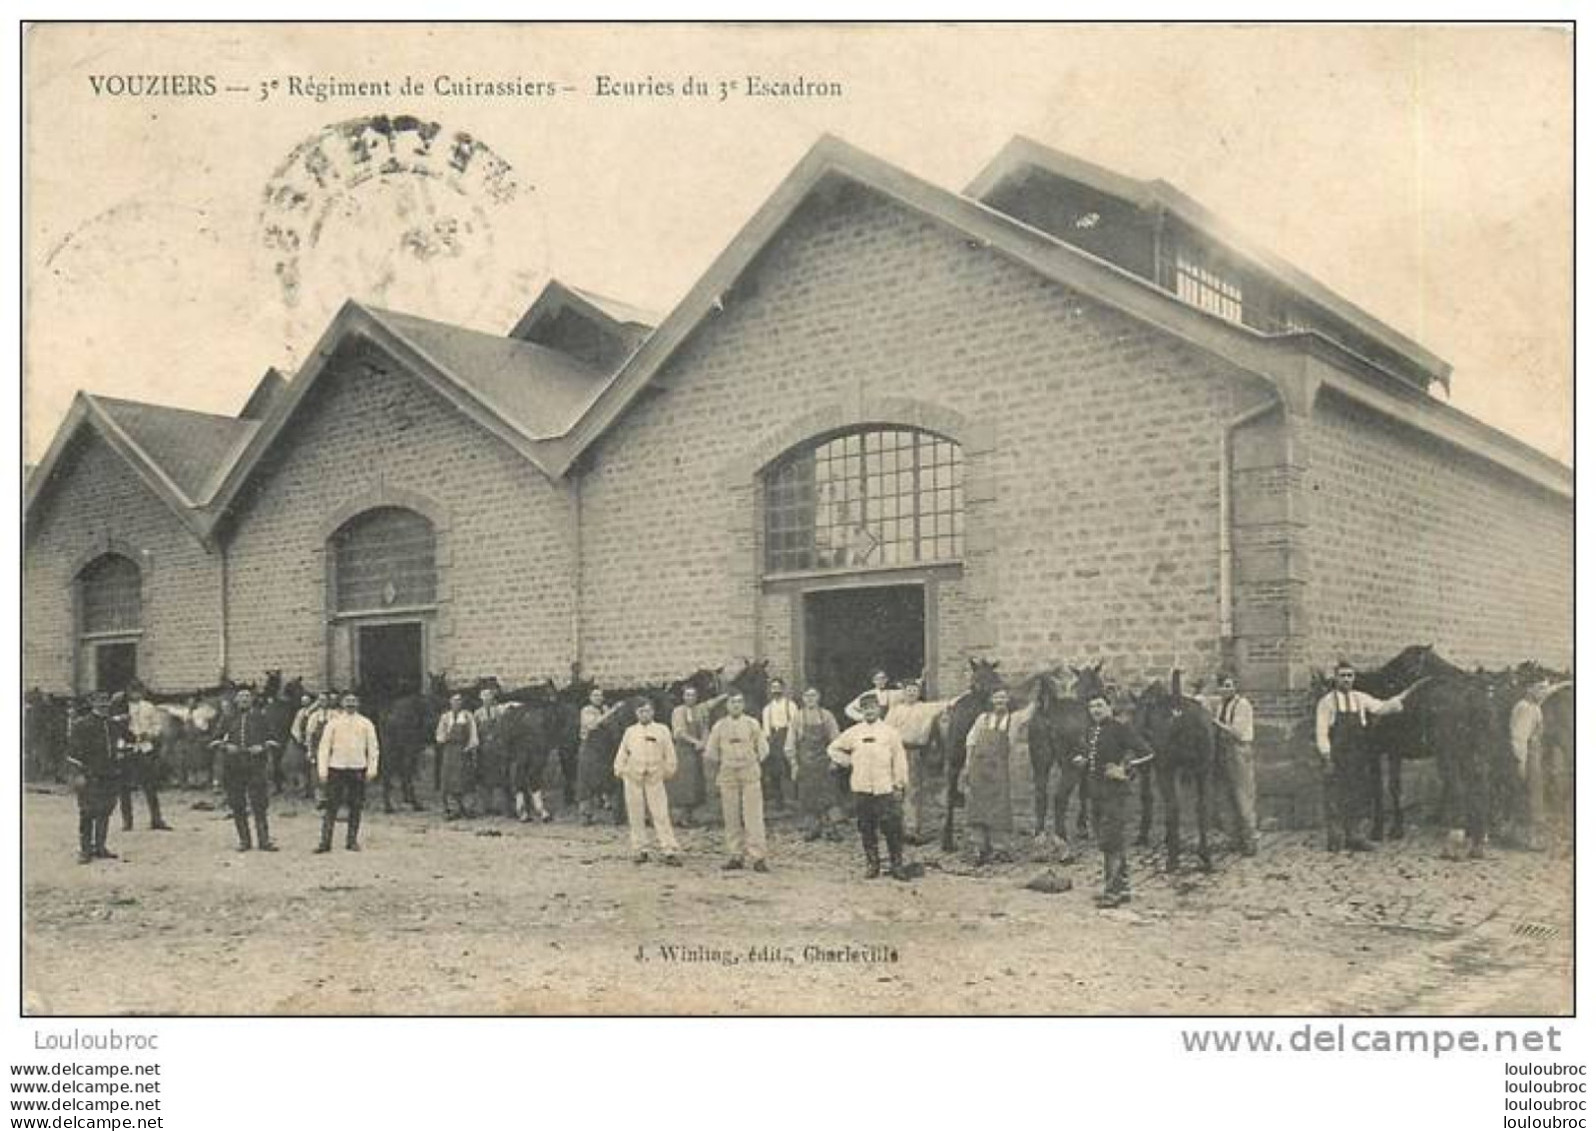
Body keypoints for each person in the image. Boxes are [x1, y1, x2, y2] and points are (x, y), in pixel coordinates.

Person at [1313, 661, 1423, 853]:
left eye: (1349, 676)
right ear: (1336, 678)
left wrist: (1405, 696)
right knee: (1336, 796)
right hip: (1337, 756)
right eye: (1342, 676)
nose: (1346, 680)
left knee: (1357, 795)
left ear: (1354, 678)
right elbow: (1321, 732)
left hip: (1357, 755)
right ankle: (1335, 838)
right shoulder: (1327, 702)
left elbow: (1381, 707)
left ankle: (1355, 836)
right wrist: (1326, 757)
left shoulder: (1360, 698)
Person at [1074, 691, 1155, 907]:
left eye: (1100, 705)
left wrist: (1125, 768)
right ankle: (1123, 887)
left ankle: (1112, 892)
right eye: (1092, 707)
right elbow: (1095, 758)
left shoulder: (1120, 728)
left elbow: (1147, 753)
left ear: (1109, 707)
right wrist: (1084, 761)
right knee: (1109, 840)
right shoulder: (1092, 730)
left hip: (1115, 794)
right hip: (1097, 793)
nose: (1096, 710)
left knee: (1112, 841)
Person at [828, 692, 912, 880]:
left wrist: (899, 784)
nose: (869, 712)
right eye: (865, 709)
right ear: (862, 711)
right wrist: (848, 761)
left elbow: (900, 759)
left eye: (873, 708)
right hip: (862, 787)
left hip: (885, 788)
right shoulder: (854, 732)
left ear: (879, 710)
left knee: (892, 828)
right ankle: (872, 864)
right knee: (866, 827)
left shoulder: (890, 732)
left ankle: (896, 864)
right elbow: (832, 748)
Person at [704, 691, 769, 872]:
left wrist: (752, 760)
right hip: (728, 773)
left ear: (744, 705)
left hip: (749, 772)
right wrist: (723, 765)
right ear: (727, 705)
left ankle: (758, 857)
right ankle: (735, 855)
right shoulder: (719, 726)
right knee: (731, 815)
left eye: (740, 702)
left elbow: (763, 749)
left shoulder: (752, 724)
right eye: (733, 702)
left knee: (753, 815)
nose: (736, 705)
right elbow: (711, 751)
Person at [613, 699, 683, 865]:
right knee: (635, 814)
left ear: (653, 712)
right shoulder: (630, 732)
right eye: (641, 711)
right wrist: (621, 770)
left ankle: (668, 849)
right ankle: (640, 849)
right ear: (636, 714)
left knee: (660, 813)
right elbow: (622, 753)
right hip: (633, 777)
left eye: (647, 711)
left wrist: (667, 771)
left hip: (654, 776)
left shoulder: (662, 730)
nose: (644, 714)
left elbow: (670, 754)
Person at [883, 680, 951, 845]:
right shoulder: (895, 711)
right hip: (898, 751)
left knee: (914, 790)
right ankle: (894, 828)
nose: (912, 693)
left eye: (915, 691)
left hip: (917, 752)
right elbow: (885, 731)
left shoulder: (925, 708)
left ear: (919, 693)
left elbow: (947, 704)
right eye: (909, 690)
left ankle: (912, 829)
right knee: (895, 788)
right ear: (903, 693)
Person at [213, 688, 279, 852]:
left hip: (256, 765)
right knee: (237, 803)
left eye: (247, 696)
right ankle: (244, 841)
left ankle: (264, 841)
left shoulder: (261, 718)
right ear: (236, 700)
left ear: (252, 700)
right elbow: (215, 740)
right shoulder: (228, 718)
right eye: (241, 697)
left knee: (260, 804)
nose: (244, 699)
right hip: (233, 766)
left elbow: (274, 740)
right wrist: (226, 746)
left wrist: (262, 747)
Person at [316, 691, 380, 853]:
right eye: (347, 701)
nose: (350, 704)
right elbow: (324, 748)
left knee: (356, 805)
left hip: (357, 768)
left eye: (353, 700)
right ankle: (325, 842)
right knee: (331, 806)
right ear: (342, 703)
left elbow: (373, 748)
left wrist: (372, 769)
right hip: (336, 768)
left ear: (358, 703)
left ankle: (352, 841)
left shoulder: (366, 723)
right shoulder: (333, 723)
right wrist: (322, 770)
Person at [66, 690, 125, 864]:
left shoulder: (113, 725)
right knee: (87, 811)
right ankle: (85, 850)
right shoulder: (82, 725)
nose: (104, 705)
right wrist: (77, 775)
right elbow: (73, 753)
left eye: (106, 701)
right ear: (91, 703)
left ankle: (100, 846)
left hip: (110, 774)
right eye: (99, 701)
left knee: (105, 810)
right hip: (90, 774)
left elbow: (120, 744)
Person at [1206, 673, 1257, 855]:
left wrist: (1215, 723)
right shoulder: (1220, 704)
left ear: (1235, 687)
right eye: (1223, 686)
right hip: (1223, 752)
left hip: (1238, 750)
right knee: (1226, 797)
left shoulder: (1242, 705)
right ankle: (1234, 839)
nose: (1226, 689)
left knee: (1243, 796)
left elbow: (1237, 732)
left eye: (1229, 686)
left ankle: (1250, 840)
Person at [787, 686, 842, 840]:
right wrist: (793, 763)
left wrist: (834, 760)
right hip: (805, 763)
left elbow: (836, 739)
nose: (810, 699)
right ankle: (813, 828)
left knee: (828, 796)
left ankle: (831, 828)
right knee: (808, 796)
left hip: (824, 761)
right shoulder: (797, 717)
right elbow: (790, 741)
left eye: (813, 695)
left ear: (818, 697)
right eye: (807, 696)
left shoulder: (826, 716)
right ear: (803, 698)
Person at [118, 681, 172, 832]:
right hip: (127, 748)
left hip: (144, 747)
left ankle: (156, 819)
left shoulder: (148, 707)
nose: (135, 695)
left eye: (138, 692)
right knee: (124, 787)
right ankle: (127, 821)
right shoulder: (120, 707)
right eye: (132, 691)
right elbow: (114, 727)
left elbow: (157, 726)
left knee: (150, 785)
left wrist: (149, 734)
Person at [1509, 678, 1551, 852]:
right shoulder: (1524, 708)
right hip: (1527, 755)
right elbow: (1519, 738)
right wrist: (1521, 762)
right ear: (1529, 689)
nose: (1543, 692)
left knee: (1535, 796)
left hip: (1535, 754)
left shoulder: (1535, 707)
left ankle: (1532, 837)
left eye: (1545, 689)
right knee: (1529, 797)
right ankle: (1527, 839)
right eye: (1539, 688)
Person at [668, 686, 710, 827]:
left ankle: (691, 815)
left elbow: (705, 727)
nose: (690, 698)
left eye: (693, 695)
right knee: (684, 782)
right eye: (687, 695)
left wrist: (704, 741)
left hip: (696, 752)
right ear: (683, 697)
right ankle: (682, 816)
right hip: (683, 751)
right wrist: (695, 742)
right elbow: (679, 732)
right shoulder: (678, 711)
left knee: (696, 783)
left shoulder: (699, 711)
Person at [435, 692, 479, 820]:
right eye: (454, 702)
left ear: (462, 703)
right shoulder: (445, 717)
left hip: (463, 750)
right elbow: (439, 734)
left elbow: (473, 733)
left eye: (459, 702)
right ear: (450, 703)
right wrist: (443, 738)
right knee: (449, 780)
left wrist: (469, 747)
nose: (456, 704)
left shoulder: (467, 716)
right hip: (449, 751)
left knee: (464, 780)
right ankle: (453, 809)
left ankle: (466, 808)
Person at [474, 685, 512, 818]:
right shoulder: (478, 713)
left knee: (498, 777)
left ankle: (498, 805)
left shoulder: (498, 711)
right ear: (482, 700)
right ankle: (486, 805)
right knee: (484, 778)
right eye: (485, 699)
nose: (488, 701)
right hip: (483, 749)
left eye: (490, 699)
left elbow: (502, 727)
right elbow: (474, 730)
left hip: (496, 748)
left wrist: (496, 737)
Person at [760, 677, 797, 812]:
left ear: (783, 689)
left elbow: (794, 724)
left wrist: (791, 740)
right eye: (773, 688)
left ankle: (794, 799)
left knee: (790, 768)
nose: (776, 690)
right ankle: (779, 801)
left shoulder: (790, 705)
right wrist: (767, 743)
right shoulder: (767, 709)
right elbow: (766, 729)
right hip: (774, 739)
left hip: (788, 736)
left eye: (778, 687)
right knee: (774, 771)